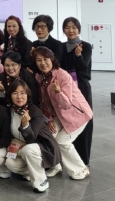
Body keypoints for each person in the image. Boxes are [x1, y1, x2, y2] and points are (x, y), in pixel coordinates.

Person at [35, 46, 92, 180]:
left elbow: (66, 105)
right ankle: (55, 166)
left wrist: (57, 92)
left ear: (52, 59)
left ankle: (81, 169)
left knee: (62, 142)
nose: (43, 63)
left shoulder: (62, 75)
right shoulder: (39, 77)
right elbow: (44, 102)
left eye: (45, 59)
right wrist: (48, 119)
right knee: (48, 136)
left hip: (77, 115)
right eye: (39, 60)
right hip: (58, 116)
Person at [4, 80, 62, 193]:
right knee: (9, 163)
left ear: (28, 94)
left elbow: (32, 139)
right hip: (21, 146)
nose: (19, 97)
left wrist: (25, 125)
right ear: (10, 95)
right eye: (15, 93)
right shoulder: (9, 111)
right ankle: (31, 171)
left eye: (23, 93)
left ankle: (41, 180)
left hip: (43, 148)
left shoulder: (35, 111)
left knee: (28, 149)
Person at [60, 17, 93, 167]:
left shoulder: (85, 46)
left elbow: (84, 69)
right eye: (67, 27)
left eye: (74, 27)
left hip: (81, 88)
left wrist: (79, 55)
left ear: (79, 29)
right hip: (65, 88)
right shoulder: (61, 47)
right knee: (67, 120)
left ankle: (84, 160)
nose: (71, 30)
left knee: (84, 120)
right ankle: (67, 158)